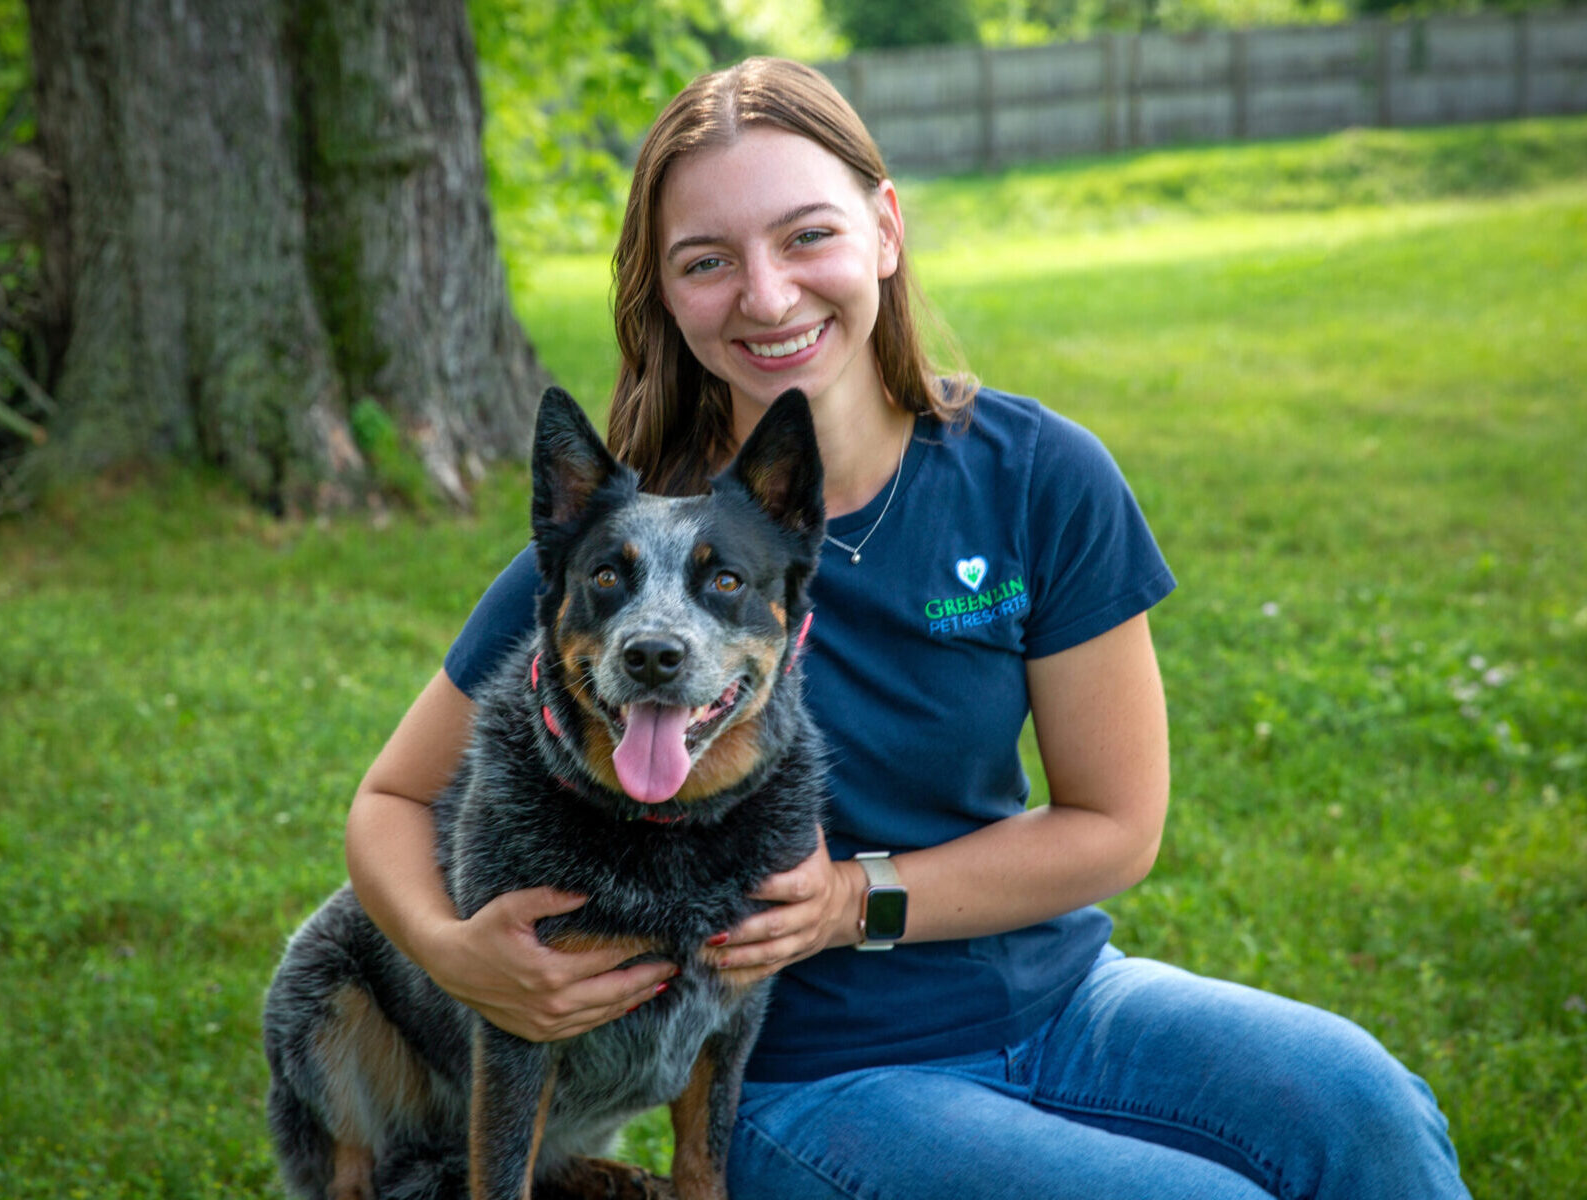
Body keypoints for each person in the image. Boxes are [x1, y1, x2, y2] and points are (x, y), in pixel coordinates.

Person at [345, 57, 1469, 1199]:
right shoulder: (623, 560)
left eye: (806, 236)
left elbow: (1114, 826)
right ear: (664, 294)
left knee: (1368, 1110)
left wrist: (850, 900)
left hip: (1066, 998)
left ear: (884, 229)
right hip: (811, 1082)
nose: (768, 295)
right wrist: (452, 956)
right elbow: (390, 799)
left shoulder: (1039, 478)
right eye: (707, 261)